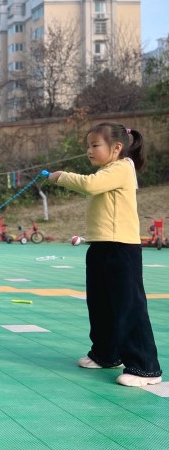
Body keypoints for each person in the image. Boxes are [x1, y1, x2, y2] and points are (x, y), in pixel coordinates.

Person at [47, 122, 162, 387]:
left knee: (129, 307)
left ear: (117, 147)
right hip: (101, 246)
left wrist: (61, 176)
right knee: (101, 304)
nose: (89, 150)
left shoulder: (122, 167)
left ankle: (146, 367)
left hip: (121, 249)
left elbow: (90, 185)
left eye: (95, 145)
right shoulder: (108, 170)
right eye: (88, 145)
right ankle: (106, 354)